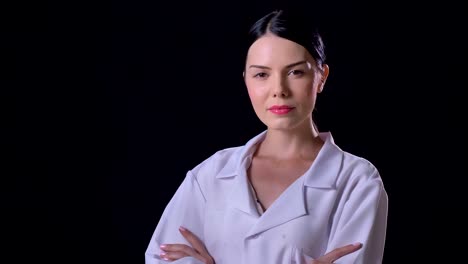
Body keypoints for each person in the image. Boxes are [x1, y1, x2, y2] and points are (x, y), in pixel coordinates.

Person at [145, 9, 388, 264]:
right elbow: (159, 258)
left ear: (321, 77)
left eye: (296, 72)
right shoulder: (211, 175)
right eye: (262, 74)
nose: (279, 90)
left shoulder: (357, 182)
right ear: (246, 80)